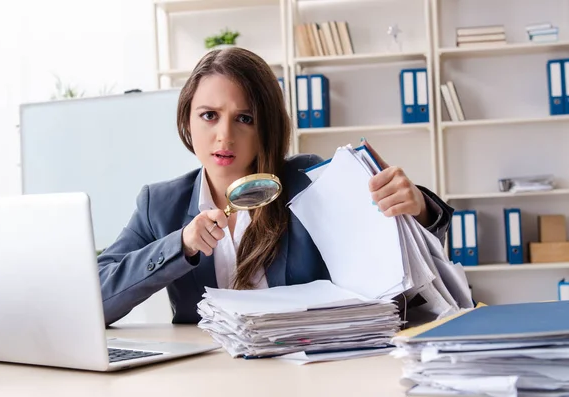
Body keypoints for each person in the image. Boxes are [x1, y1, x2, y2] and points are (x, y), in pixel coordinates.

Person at [97, 47, 454, 326]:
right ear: (187, 119)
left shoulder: (311, 183)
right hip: (205, 377)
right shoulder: (159, 204)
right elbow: (96, 298)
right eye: (209, 115)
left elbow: (400, 267)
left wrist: (418, 208)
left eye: (244, 119)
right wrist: (182, 245)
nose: (224, 136)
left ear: (266, 127)